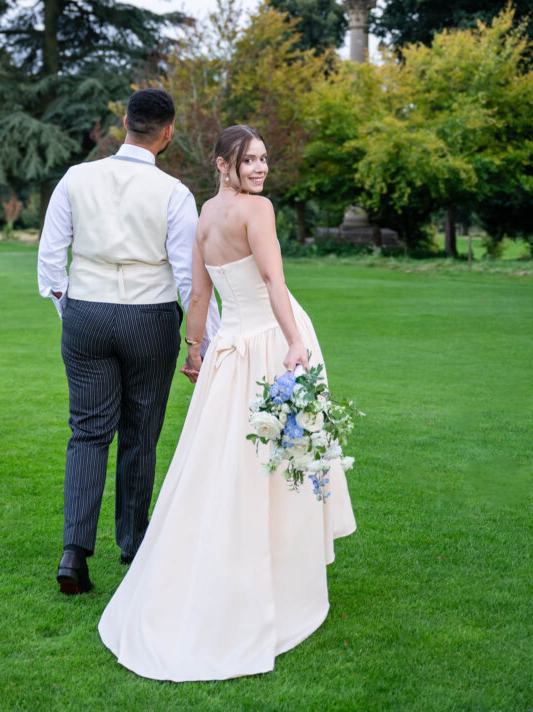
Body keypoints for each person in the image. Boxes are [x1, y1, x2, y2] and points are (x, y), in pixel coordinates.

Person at [98, 125, 357, 681]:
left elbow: (197, 295)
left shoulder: (204, 219)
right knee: (278, 459)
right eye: (249, 161)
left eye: (264, 159)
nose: (260, 169)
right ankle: (279, 583)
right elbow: (272, 278)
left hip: (226, 353)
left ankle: (230, 565)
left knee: (223, 467)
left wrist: (196, 351)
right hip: (267, 343)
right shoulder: (255, 213)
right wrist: (294, 343)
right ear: (222, 164)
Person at [37, 88, 219, 594]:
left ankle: (74, 554)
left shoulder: (76, 178)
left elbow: (51, 261)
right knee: (140, 434)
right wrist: (207, 341)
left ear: (123, 122)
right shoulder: (174, 193)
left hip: (87, 315)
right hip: (150, 319)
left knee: (88, 433)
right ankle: (134, 545)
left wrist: (72, 311)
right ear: (168, 132)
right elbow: (189, 278)